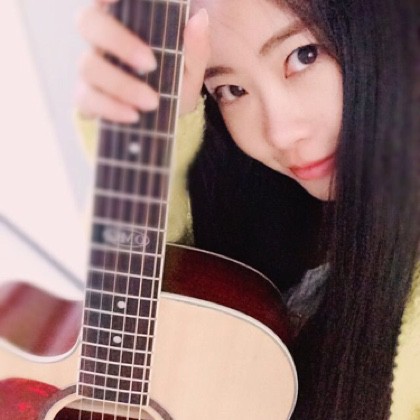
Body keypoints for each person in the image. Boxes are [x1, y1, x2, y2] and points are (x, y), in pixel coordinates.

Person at [75, 0, 420, 418]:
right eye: (231, 90)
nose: (280, 133)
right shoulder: (258, 207)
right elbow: (150, 308)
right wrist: (140, 142)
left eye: (304, 55)